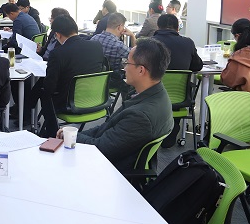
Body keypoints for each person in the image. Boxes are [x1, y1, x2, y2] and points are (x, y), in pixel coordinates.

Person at [60, 38, 174, 173]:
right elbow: (107, 128)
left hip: (109, 172)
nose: (124, 68)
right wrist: (74, 133)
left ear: (141, 70)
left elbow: (100, 149)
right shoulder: (157, 95)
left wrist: (71, 136)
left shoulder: (140, 116)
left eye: (127, 63)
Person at [27, 15, 104, 137]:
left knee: (44, 92)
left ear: (58, 34)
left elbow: (50, 87)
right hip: (96, 99)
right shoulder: (96, 46)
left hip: (69, 103)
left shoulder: (58, 53)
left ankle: (52, 133)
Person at [152, 14, 202, 148]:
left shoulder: (150, 43)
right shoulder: (188, 43)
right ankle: (172, 131)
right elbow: (197, 66)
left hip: (154, 96)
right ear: (177, 28)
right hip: (180, 97)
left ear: (158, 27)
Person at [90, 13, 136, 96]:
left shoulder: (94, 38)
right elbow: (136, 56)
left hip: (94, 79)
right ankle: (127, 102)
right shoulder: (118, 46)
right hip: (112, 81)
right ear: (119, 27)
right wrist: (132, 36)